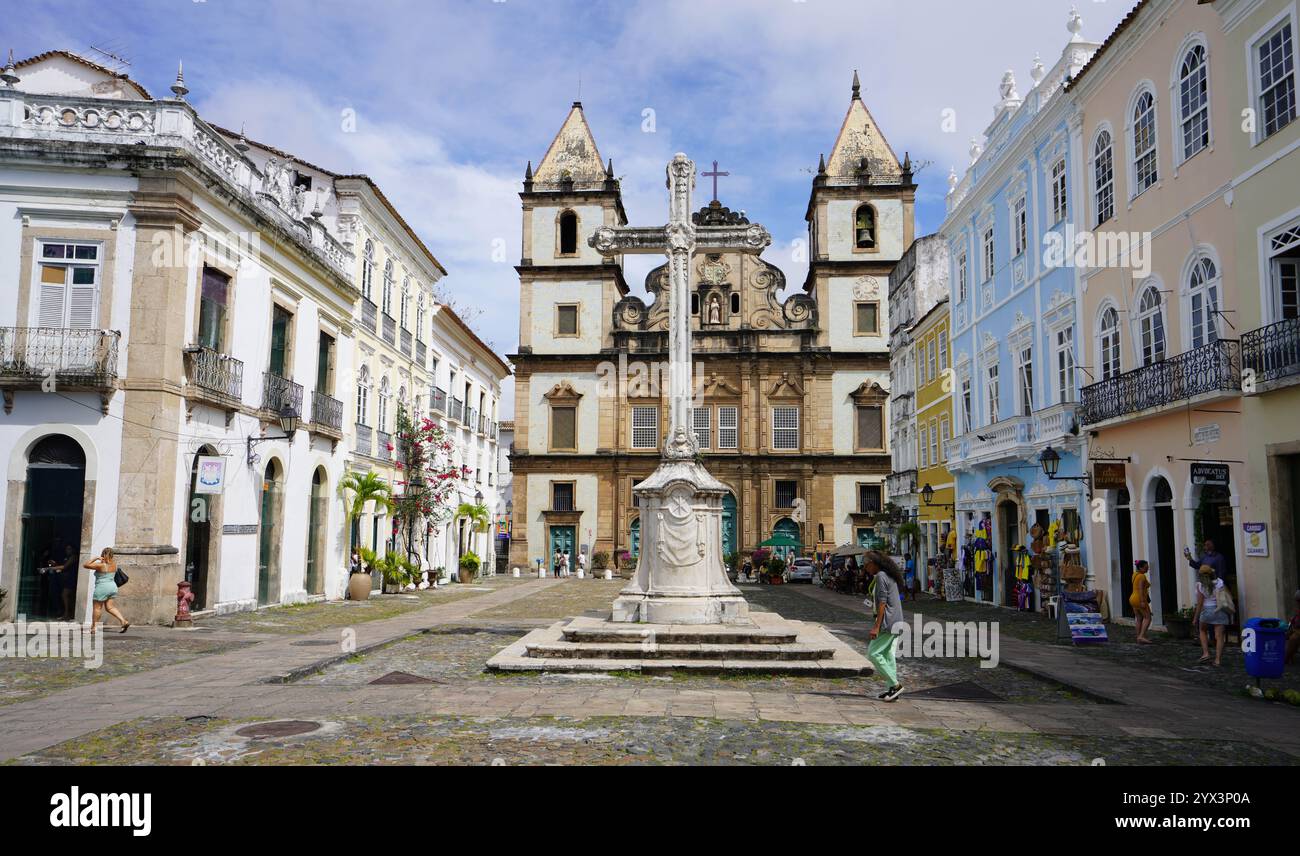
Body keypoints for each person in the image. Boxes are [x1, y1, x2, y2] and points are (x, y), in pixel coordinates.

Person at [863, 551, 906, 701]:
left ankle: (895, 685)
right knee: (888, 655)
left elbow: (882, 603)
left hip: (888, 621)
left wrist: (877, 626)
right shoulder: (888, 575)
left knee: (873, 653)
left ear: (873, 563)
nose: (865, 568)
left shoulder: (881, 576)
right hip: (896, 620)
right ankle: (891, 689)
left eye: (866, 564)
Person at [84, 547, 129, 634]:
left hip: (102, 588)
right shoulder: (115, 565)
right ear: (112, 555)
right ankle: (123, 621)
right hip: (112, 587)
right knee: (110, 607)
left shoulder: (100, 565)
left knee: (97, 608)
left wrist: (96, 558)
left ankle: (93, 628)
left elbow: (85, 565)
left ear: (103, 554)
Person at [1193, 565, 1228, 666]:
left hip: (1206, 611)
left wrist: (1195, 618)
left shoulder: (1200, 585)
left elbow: (1200, 603)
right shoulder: (1219, 582)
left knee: (1202, 630)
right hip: (1219, 610)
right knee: (1219, 636)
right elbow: (1223, 596)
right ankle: (1217, 660)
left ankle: (1206, 653)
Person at [1129, 560, 1153, 645]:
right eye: (1146, 567)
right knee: (1148, 618)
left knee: (1139, 618)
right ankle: (1141, 636)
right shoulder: (1142, 576)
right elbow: (1140, 589)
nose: (1147, 569)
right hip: (1139, 599)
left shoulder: (1134, 574)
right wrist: (1143, 601)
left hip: (1133, 598)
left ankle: (1138, 636)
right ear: (1140, 567)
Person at [58, 545, 79, 621]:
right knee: (68, 596)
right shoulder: (67, 557)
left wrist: (50, 568)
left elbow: (64, 567)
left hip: (71, 579)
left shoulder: (73, 557)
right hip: (67, 579)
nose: (67, 550)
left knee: (65, 594)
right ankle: (68, 614)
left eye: (69, 549)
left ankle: (67, 614)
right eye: (66, 549)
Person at [1285, 589, 1300, 666]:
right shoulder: (1297, 608)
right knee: (1287, 635)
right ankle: (1289, 657)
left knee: (1293, 639)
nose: (1297, 603)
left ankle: (1287, 658)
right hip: (1296, 629)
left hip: (1298, 630)